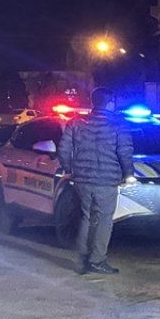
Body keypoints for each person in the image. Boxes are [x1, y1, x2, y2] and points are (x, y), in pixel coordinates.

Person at [58, 87, 133, 275]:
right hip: (106, 179)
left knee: (86, 217)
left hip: (82, 178)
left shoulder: (76, 122)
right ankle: (97, 260)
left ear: (93, 102)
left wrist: (68, 169)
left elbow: (63, 148)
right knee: (105, 219)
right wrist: (128, 174)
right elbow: (125, 151)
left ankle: (82, 258)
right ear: (110, 103)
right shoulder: (118, 124)